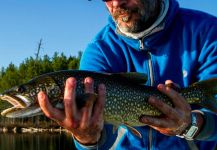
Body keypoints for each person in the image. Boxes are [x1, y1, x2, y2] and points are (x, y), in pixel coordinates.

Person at [37, 0, 217, 149]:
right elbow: (100, 140)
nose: (116, 3)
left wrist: (191, 124)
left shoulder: (208, 32)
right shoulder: (99, 51)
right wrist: (87, 139)